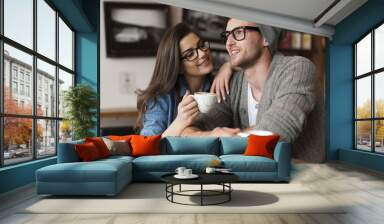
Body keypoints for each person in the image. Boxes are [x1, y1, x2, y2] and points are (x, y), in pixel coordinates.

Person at [182, 18, 325, 163]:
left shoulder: (298, 69)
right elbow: (188, 132)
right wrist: (211, 135)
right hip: (256, 180)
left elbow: (274, 134)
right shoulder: (234, 84)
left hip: (303, 181)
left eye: (238, 32)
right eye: (227, 35)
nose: (229, 43)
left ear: (265, 39)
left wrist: (218, 138)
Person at [136, 22, 232, 137]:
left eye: (201, 45)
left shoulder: (220, 83)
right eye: (190, 54)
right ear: (179, 66)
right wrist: (179, 123)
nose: (202, 53)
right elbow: (147, 144)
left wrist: (229, 65)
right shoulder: (160, 98)